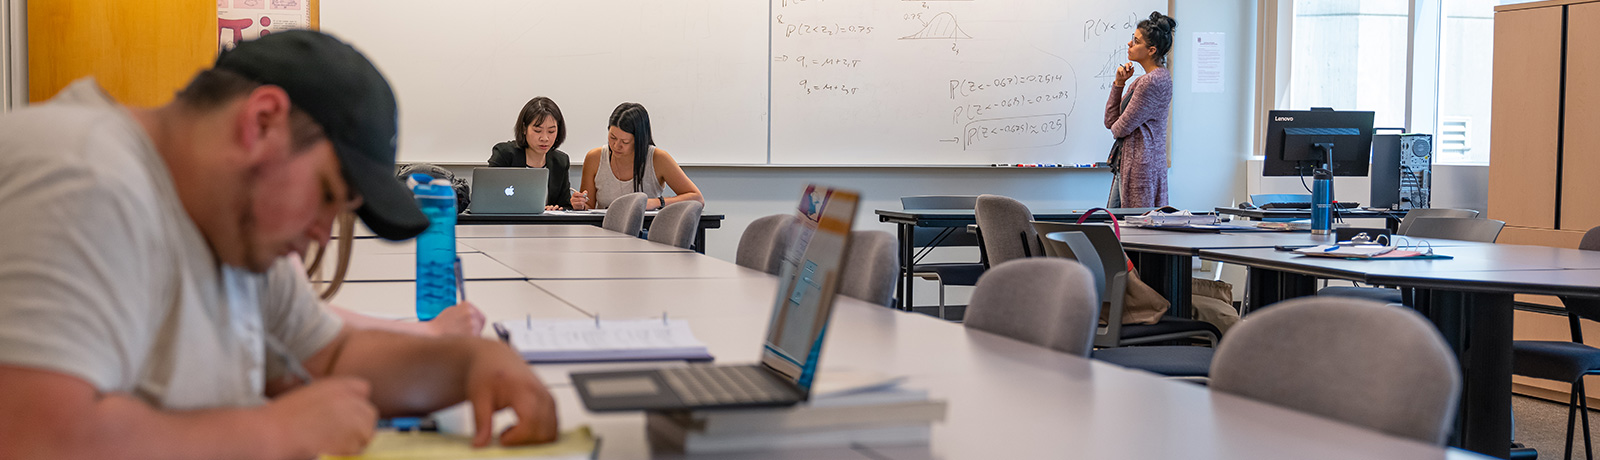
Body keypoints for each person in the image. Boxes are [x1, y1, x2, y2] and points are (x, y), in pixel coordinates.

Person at [0, 31, 556, 458]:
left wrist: (469, 365)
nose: (321, 232)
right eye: (325, 196)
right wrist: (275, 430)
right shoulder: (80, 179)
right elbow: (36, 440)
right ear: (262, 123)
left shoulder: (227, 221)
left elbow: (331, 356)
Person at [1105, 12, 1178, 208]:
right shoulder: (1141, 80)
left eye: (1136, 41)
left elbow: (1119, 128)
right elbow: (1110, 121)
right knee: (1113, 225)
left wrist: (1117, 125)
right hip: (1129, 164)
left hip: (1140, 168)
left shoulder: (1152, 82)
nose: (1129, 44)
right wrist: (1119, 84)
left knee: (1130, 229)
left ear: (1151, 50)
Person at [576, 103, 704, 210]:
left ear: (639, 140)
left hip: (644, 232)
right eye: (612, 137)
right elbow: (588, 207)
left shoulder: (657, 159)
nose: (616, 146)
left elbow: (697, 198)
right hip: (604, 233)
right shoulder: (595, 158)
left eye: (625, 142)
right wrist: (579, 205)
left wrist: (656, 202)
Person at [488, 97, 577, 210]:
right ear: (524, 129)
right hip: (509, 225)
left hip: (547, 226)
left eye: (551, 131)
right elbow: (488, 199)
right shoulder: (504, 154)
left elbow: (564, 206)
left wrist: (556, 210)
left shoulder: (560, 161)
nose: (545, 138)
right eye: (537, 131)